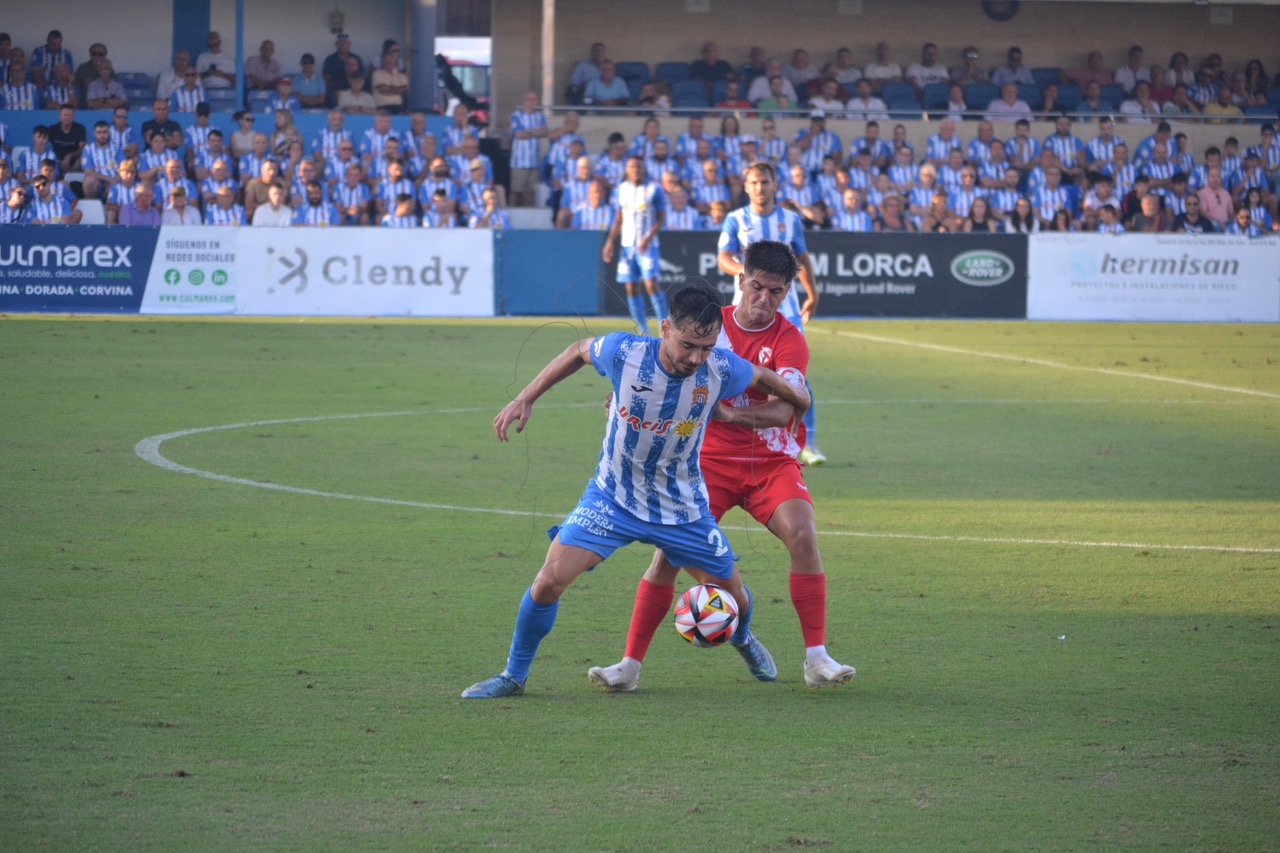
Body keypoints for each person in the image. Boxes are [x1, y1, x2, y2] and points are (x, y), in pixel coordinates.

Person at [462, 280, 811, 699]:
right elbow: (576, 351)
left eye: (706, 347)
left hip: (683, 508)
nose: (696, 358)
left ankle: (741, 637)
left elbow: (762, 375)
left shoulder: (720, 366)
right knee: (549, 581)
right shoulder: (624, 353)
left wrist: (799, 398)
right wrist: (526, 396)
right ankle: (512, 676)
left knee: (733, 598)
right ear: (664, 328)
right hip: (612, 499)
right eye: (688, 346)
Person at [592, 240, 858, 695]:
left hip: (769, 462)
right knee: (667, 557)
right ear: (741, 279)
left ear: (787, 291)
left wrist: (732, 415)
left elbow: (787, 411)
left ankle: (817, 659)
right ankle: (629, 666)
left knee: (803, 534)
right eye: (757, 286)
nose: (765, 299)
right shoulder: (708, 324)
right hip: (703, 464)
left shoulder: (789, 340)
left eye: (777, 291)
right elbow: (657, 368)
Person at [718, 161, 825, 465]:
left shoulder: (790, 220)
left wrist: (813, 294)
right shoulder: (736, 219)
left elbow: (802, 257)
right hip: (746, 308)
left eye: (764, 182)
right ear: (746, 186)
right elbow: (723, 257)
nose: (759, 188)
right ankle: (730, 431)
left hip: (786, 312)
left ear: (774, 184)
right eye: (753, 183)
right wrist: (750, 274)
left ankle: (809, 441)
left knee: (795, 379)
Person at [605, 156, 668, 335]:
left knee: (650, 284)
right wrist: (610, 242)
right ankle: (642, 329)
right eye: (632, 166)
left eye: (639, 166)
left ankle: (665, 325)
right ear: (627, 168)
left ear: (644, 168)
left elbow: (661, 218)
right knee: (631, 287)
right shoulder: (621, 190)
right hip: (627, 246)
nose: (635, 170)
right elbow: (618, 218)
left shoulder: (653, 189)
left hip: (647, 246)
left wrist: (648, 238)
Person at [509, 90, 547, 207]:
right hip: (519, 161)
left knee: (531, 192)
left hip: (534, 162)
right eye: (529, 99)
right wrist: (535, 132)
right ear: (524, 101)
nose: (531, 102)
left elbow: (544, 132)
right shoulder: (516, 115)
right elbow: (518, 134)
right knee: (516, 192)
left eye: (534, 99)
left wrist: (528, 131)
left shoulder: (540, 116)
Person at [323, 34, 362, 106]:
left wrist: (354, 90)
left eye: (345, 43)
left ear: (349, 44)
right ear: (336, 45)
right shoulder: (330, 59)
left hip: (355, 90)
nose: (343, 45)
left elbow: (361, 77)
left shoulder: (356, 58)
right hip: (336, 90)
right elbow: (327, 79)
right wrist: (336, 90)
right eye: (340, 43)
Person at [47, 104, 87, 175]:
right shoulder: (52, 129)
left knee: (83, 160)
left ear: (73, 117)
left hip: (75, 162)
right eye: (65, 115)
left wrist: (69, 156)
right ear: (59, 116)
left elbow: (83, 147)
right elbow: (42, 144)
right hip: (58, 161)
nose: (67, 117)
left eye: (70, 115)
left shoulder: (79, 128)